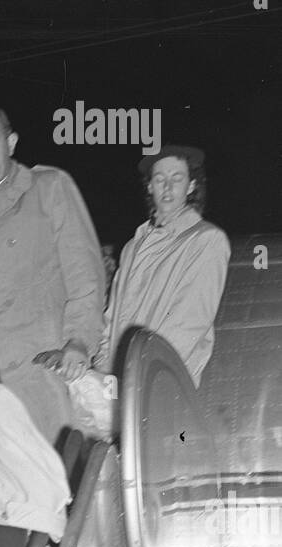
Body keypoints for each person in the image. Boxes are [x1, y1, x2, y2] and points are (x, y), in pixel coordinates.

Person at [0, 104, 105, 446]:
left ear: (11, 142)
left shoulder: (48, 187)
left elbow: (84, 274)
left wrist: (80, 340)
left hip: (38, 370)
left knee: (48, 485)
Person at [92, 145, 230, 387]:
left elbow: (189, 322)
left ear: (191, 186)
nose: (167, 187)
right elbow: (111, 320)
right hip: (121, 383)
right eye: (159, 179)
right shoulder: (132, 247)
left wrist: (141, 375)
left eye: (177, 178)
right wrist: (104, 370)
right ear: (149, 186)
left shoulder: (206, 240)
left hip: (161, 383)